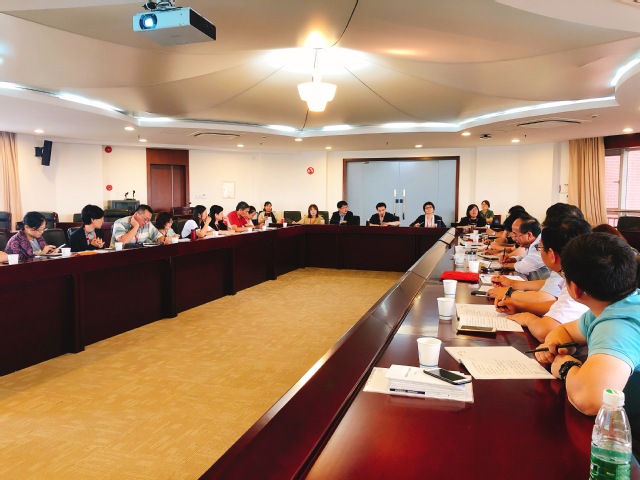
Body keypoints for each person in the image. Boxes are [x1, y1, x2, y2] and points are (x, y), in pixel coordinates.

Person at [534, 233, 640, 431]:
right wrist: (555, 344)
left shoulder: (619, 327)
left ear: (575, 289)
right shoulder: (617, 305)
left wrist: (566, 366)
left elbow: (591, 400)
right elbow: (564, 330)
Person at [494, 217, 592, 341]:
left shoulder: (577, 281)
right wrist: (519, 306)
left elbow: (544, 331)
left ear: (551, 254)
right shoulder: (577, 270)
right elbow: (557, 304)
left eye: (539, 248)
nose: (539, 251)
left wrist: (527, 318)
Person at [500, 215, 550, 280]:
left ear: (529, 235)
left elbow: (524, 267)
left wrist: (507, 265)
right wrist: (512, 259)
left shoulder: (540, 245)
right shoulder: (532, 243)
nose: (514, 239)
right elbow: (525, 257)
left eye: (516, 234)